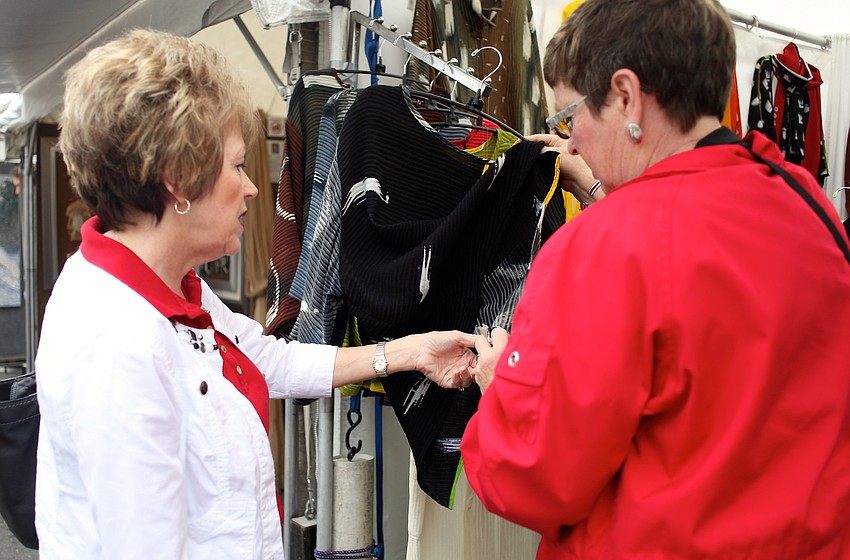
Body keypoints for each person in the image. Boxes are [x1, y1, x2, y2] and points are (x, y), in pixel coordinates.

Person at [34, 29, 477, 559]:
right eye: (237, 164)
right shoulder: (116, 339)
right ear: (178, 177)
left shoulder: (166, 285)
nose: (250, 187)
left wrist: (410, 352)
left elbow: (262, 356)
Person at [461, 0, 850, 558]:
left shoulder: (604, 247)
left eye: (570, 118)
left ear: (626, 96)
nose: (569, 144)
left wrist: (500, 390)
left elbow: (532, 476)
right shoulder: (808, 205)